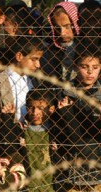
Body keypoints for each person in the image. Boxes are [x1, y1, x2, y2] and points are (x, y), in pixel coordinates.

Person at [53, 43, 101, 191]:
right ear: (74, 66)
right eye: (84, 66)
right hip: (70, 165)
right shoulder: (64, 93)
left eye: (95, 67)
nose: (90, 72)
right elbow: (60, 130)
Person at [41, 2, 80, 82]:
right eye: (57, 28)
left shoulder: (84, 49)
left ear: (76, 23)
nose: (62, 34)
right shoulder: (47, 53)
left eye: (67, 26)